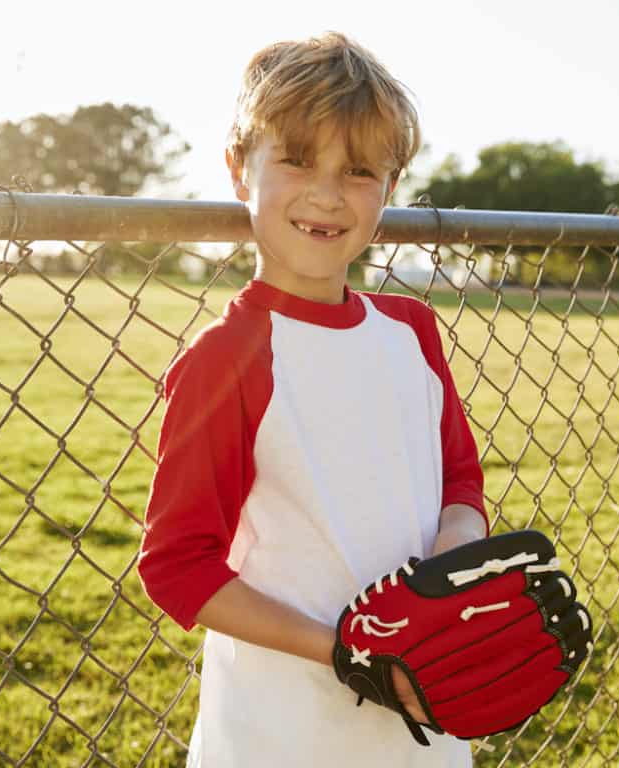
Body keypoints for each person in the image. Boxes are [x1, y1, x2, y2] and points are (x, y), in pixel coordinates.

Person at [137, 32, 489, 768]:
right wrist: (349, 653)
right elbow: (179, 566)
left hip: (424, 715)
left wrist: (447, 574)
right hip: (286, 729)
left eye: (359, 171)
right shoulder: (227, 360)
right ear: (240, 169)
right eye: (298, 158)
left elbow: (460, 481)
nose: (328, 193)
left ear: (390, 191)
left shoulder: (411, 330)